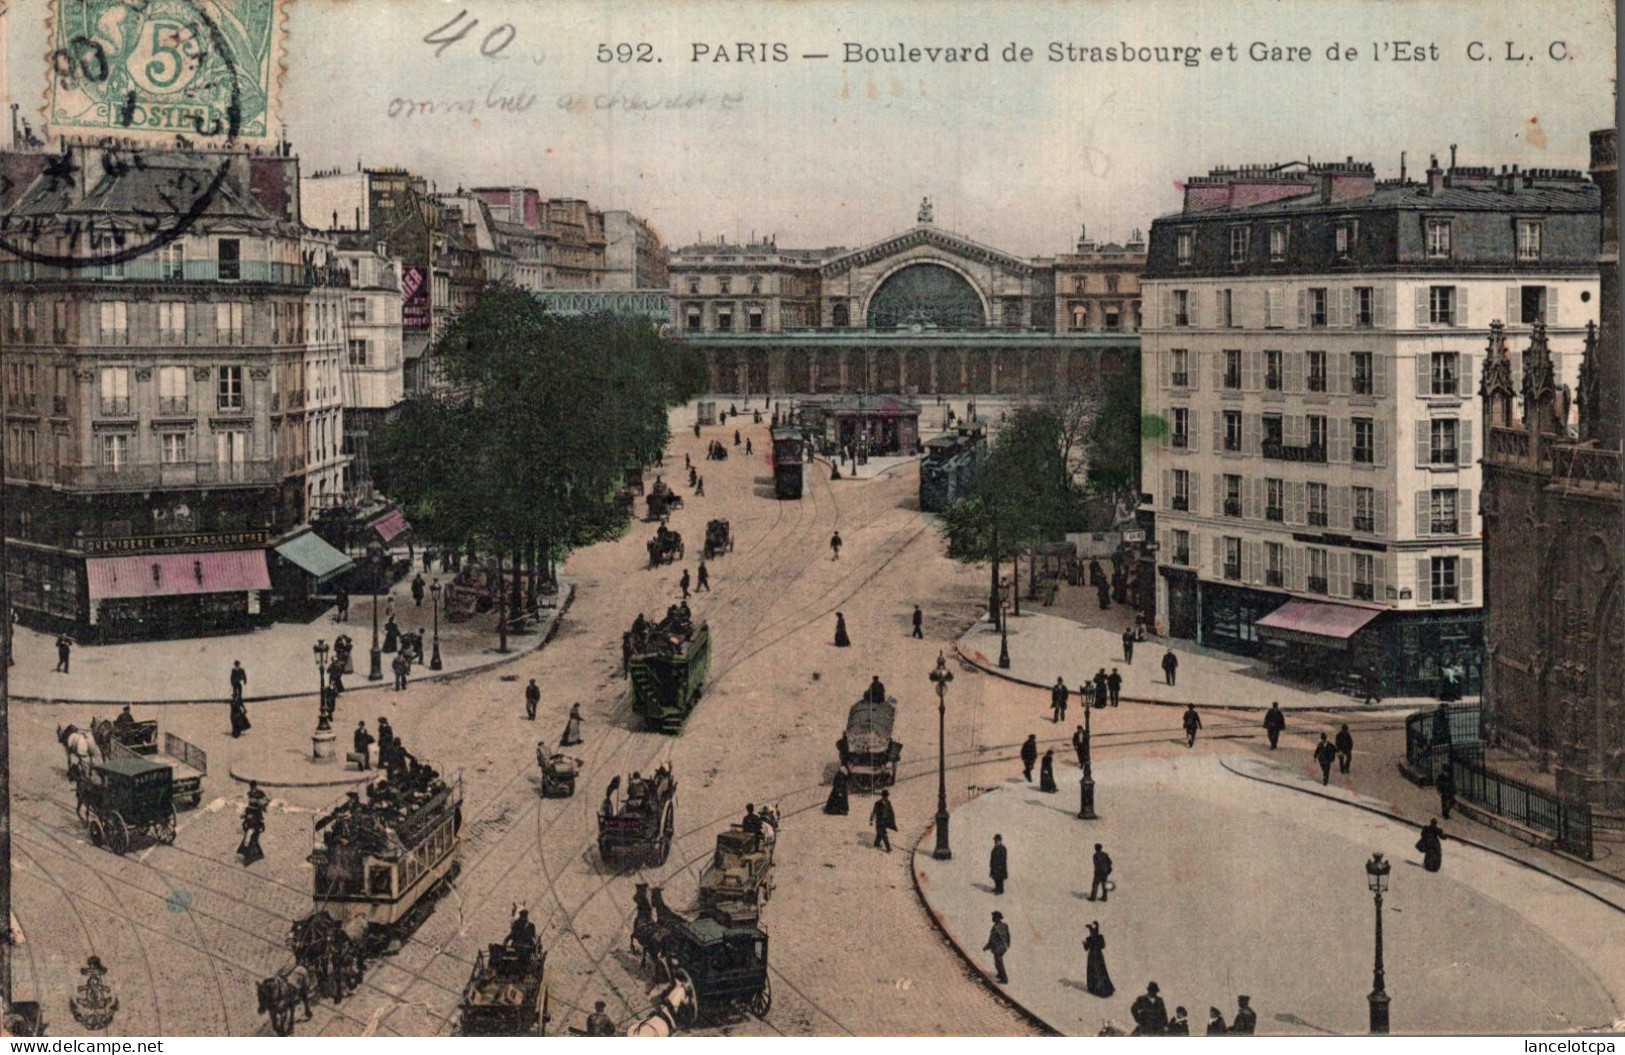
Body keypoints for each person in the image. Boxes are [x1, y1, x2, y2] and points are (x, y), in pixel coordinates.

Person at [1082, 922, 1113, 997]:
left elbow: (1103, 945)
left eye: (1093, 930)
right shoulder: (1089, 938)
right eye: (1091, 930)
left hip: (1097, 955)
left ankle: (1105, 990)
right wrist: (1084, 944)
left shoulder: (1099, 937)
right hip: (1092, 956)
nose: (1092, 932)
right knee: (1092, 971)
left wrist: (1091, 944)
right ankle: (1093, 988)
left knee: (1100, 971)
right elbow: (1086, 948)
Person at [984, 911, 1011, 984]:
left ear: (997, 918)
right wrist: (1008, 944)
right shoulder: (1004, 925)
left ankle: (1004, 979)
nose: (992, 918)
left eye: (994, 917)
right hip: (1002, 947)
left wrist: (987, 946)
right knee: (997, 962)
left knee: (999, 963)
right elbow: (1008, 936)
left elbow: (992, 939)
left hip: (999, 948)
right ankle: (1000, 974)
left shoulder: (996, 928)